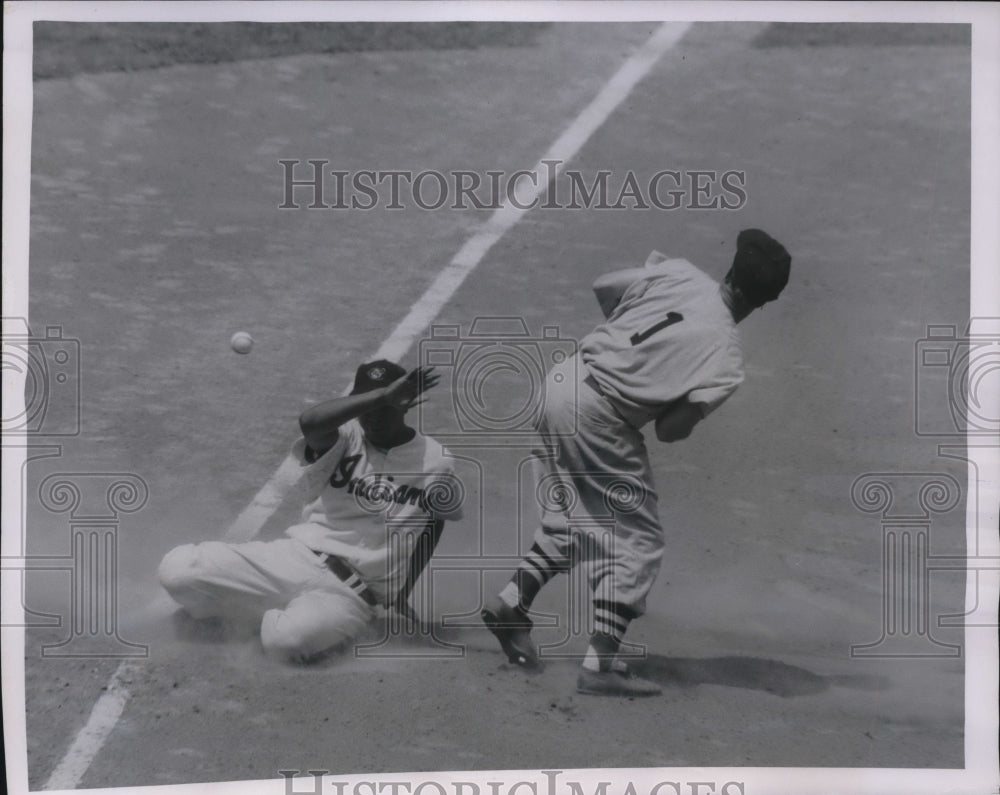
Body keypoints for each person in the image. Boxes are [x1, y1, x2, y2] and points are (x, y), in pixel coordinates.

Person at [481, 228, 791, 696]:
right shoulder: (726, 358)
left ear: (730, 269)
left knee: (578, 515)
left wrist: (629, 347)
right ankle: (599, 666)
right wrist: (661, 386)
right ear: (766, 302)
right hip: (600, 416)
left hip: (563, 381)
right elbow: (668, 431)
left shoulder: (680, 273)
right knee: (638, 539)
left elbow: (605, 285)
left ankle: (512, 604)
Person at [157, 360, 462, 662]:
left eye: (385, 406)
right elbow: (310, 422)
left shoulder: (437, 461)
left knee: (285, 645)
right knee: (178, 570)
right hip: (295, 558)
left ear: (406, 403)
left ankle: (254, 615)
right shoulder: (345, 437)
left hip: (349, 596)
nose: (373, 416)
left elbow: (433, 523)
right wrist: (381, 398)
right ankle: (258, 612)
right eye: (367, 405)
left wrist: (401, 594)